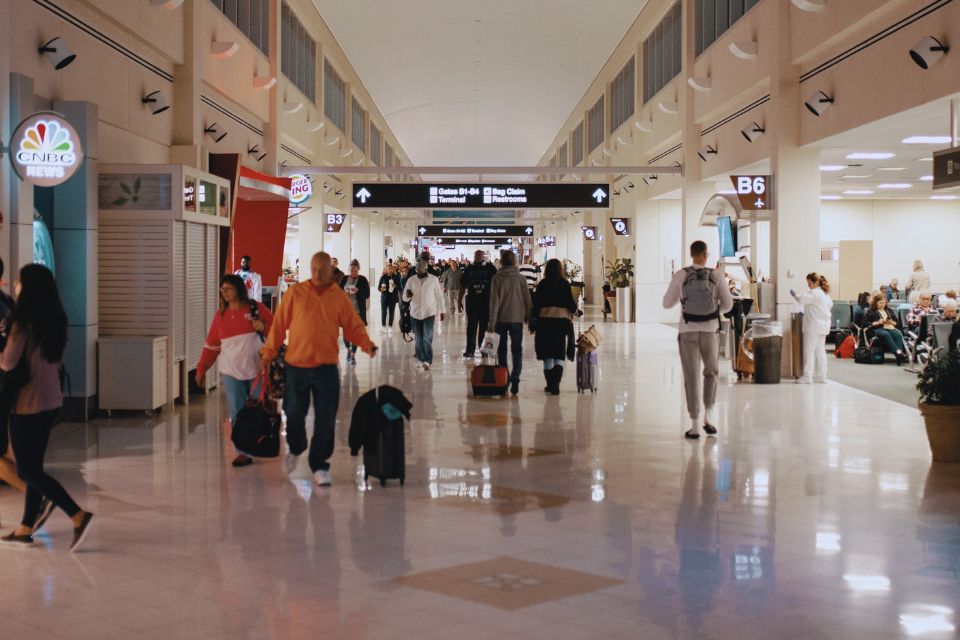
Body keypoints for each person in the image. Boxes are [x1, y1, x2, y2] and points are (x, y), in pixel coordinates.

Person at [260, 252, 377, 487]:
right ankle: (296, 448)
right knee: (293, 414)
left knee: (325, 419)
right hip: (297, 366)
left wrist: (366, 344)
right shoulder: (296, 293)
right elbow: (279, 324)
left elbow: (353, 325)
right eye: (313, 269)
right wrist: (268, 352)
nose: (317, 273)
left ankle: (320, 464)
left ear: (330, 271)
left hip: (326, 368)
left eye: (321, 270)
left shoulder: (338, 296)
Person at [0, 264, 93, 550]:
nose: (15, 284)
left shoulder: (21, 322)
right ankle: (26, 526)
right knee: (34, 464)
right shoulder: (56, 319)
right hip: (52, 401)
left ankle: (77, 515)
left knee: (28, 471)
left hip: (27, 403)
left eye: (19, 281)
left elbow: (7, 363)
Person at [195, 274, 273, 467]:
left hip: (257, 369)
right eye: (222, 290)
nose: (225, 293)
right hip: (231, 372)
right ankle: (242, 452)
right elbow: (212, 345)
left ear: (238, 289)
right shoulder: (220, 316)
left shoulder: (255, 308)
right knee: (237, 412)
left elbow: (275, 329)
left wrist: (263, 327)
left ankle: (257, 443)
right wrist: (202, 368)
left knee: (259, 410)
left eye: (228, 288)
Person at [662, 241, 734, 440]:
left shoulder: (681, 275)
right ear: (705, 255)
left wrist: (682, 301)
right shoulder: (716, 275)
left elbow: (666, 303)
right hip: (710, 331)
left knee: (691, 375)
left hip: (687, 331)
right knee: (711, 372)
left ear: (691, 254)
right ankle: (709, 417)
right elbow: (728, 304)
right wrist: (712, 312)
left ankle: (694, 425)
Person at [488, 250, 533, 396]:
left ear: (501, 262)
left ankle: (505, 377)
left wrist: (491, 323)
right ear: (514, 262)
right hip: (516, 319)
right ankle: (515, 377)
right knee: (516, 350)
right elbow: (527, 299)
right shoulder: (520, 278)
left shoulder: (496, 278)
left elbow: (494, 303)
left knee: (502, 350)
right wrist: (530, 317)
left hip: (501, 319)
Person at [531, 259, 577, 395]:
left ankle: (550, 383)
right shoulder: (564, 284)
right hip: (561, 323)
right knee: (558, 353)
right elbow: (570, 302)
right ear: (560, 269)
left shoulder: (542, 284)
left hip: (545, 323)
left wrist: (533, 319)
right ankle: (556, 383)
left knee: (547, 354)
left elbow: (536, 304)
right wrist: (575, 311)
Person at [790, 273, 833, 384]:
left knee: (809, 351)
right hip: (823, 326)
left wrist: (794, 295)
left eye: (809, 283)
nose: (808, 286)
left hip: (813, 326)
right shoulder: (825, 295)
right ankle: (822, 376)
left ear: (816, 282)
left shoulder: (815, 293)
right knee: (820, 351)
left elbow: (802, 299)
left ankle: (807, 376)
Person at [402, 260, 445, 370]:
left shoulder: (433, 280)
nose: (419, 273)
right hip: (415, 313)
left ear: (426, 269)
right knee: (418, 338)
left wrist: (442, 311)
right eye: (417, 271)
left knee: (427, 337)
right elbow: (404, 298)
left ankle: (427, 360)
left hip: (429, 313)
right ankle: (420, 359)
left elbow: (439, 296)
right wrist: (407, 296)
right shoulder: (411, 280)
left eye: (421, 271)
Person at [459, 250, 497, 358]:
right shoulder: (469, 269)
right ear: (474, 257)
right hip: (472, 303)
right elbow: (462, 285)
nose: (478, 257)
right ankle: (470, 351)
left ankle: (484, 351)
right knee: (471, 327)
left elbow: (497, 283)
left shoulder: (490, 268)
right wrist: (459, 301)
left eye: (480, 256)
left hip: (486, 303)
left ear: (484, 256)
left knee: (485, 328)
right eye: (477, 256)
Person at [339, 259, 370, 365]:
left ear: (358, 269)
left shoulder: (363, 280)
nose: (353, 272)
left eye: (355, 270)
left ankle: (353, 355)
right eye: (351, 270)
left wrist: (358, 291)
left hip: (358, 312)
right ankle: (348, 349)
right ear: (349, 269)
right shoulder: (344, 279)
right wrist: (344, 292)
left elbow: (367, 295)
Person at [864, 293, 907, 365]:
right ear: (875, 303)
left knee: (897, 334)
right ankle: (898, 353)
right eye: (880, 303)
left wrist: (891, 322)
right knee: (885, 334)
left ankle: (899, 357)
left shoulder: (888, 310)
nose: (882, 305)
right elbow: (865, 323)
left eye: (884, 303)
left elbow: (897, 322)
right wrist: (878, 322)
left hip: (889, 328)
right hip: (877, 329)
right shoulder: (871, 311)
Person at [378, 264, 402, 332]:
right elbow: (379, 287)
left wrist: (395, 286)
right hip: (384, 298)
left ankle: (390, 327)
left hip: (392, 298)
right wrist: (381, 289)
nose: (390, 270)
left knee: (391, 313)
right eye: (389, 268)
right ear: (386, 269)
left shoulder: (396, 277)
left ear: (393, 269)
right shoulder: (383, 277)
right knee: (383, 312)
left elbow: (400, 288)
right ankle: (383, 327)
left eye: (392, 269)